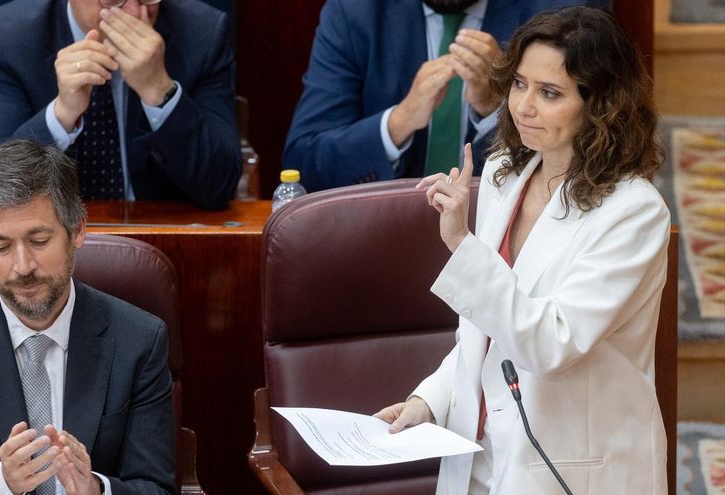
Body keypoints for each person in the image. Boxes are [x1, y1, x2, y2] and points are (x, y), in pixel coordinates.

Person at [374, 6, 669, 494]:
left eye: (549, 93)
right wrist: (430, 400)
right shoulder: (503, 173)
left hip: (571, 469)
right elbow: (484, 334)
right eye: (519, 84)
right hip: (478, 458)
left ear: (601, 105)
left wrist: (460, 244)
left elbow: (549, 344)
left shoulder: (634, 213)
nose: (523, 106)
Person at [0, 140, 175, 494]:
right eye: (1, 247)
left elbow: (157, 488)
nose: (23, 266)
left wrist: (96, 490)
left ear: (77, 230)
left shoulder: (139, 340)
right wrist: (2, 485)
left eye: (39, 240)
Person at [282, 0, 607, 193]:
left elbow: (595, 153)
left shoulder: (560, 14)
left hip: (508, 240)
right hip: (381, 236)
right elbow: (303, 164)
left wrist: (497, 108)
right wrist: (399, 123)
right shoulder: (356, 12)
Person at [0, 0, 241, 209]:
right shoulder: (9, 39)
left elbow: (219, 186)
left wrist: (160, 91)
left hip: (164, 239)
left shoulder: (203, 33)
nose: (134, 13)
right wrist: (61, 114)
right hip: (50, 244)